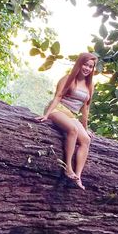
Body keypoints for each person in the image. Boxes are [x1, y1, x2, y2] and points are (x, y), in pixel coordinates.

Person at [35, 52, 98, 189]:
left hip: (71, 115)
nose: (87, 68)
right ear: (79, 64)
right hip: (58, 109)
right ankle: (68, 167)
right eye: (85, 65)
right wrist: (47, 114)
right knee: (73, 130)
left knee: (86, 140)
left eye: (90, 66)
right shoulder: (68, 78)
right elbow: (58, 96)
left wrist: (85, 128)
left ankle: (78, 176)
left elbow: (85, 108)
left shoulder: (90, 85)